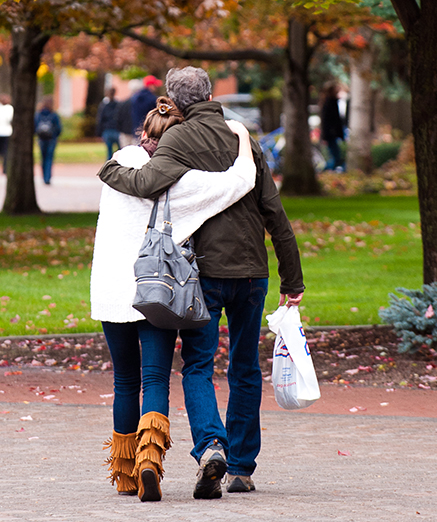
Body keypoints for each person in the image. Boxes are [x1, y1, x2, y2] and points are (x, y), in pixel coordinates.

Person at [98, 66, 305, 499]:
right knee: (245, 368)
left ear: (173, 101)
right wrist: (293, 279)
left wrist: (109, 170)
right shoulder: (241, 137)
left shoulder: (178, 137)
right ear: (210, 94)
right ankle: (243, 468)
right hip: (252, 270)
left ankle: (211, 445)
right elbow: (275, 213)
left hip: (205, 273)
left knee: (197, 366)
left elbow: (147, 184)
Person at [91, 96, 257, 502]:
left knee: (124, 381)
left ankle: (127, 474)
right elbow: (241, 180)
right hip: (155, 290)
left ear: (141, 132)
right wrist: (242, 133)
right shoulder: (183, 181)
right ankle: (150, 461)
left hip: (110, 289)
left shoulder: (120, 160)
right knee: (154, 379)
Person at [34, 95, 62, 185]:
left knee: (43, 158)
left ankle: (43, 176)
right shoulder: (54, 115)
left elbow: (35, 127)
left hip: (41, 139)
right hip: (51, 139)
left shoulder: (38, 114)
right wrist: (55, 135)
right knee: (49, 158)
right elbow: (58, 128)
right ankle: (48, 177)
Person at [320, 82, 346, 172]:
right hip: (331, 135)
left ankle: (325, 172)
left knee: (336, 157)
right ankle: (323, 172)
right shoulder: (329, 103)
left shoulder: (332, 102)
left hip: (332, 135)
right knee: (335, 158)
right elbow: (329, 122)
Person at [116, 79, 143, 148]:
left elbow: (118, 118)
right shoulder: (142, 103)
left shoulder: (124, 103)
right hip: (137, 131)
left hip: (125, 132)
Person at [96, 87, 121, 160]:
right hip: (117, 129)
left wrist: (99, 132)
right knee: (119, 151)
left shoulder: (103, 105)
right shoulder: (118, 104)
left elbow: (100, 119)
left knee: (109, 152)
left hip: (107, 130)